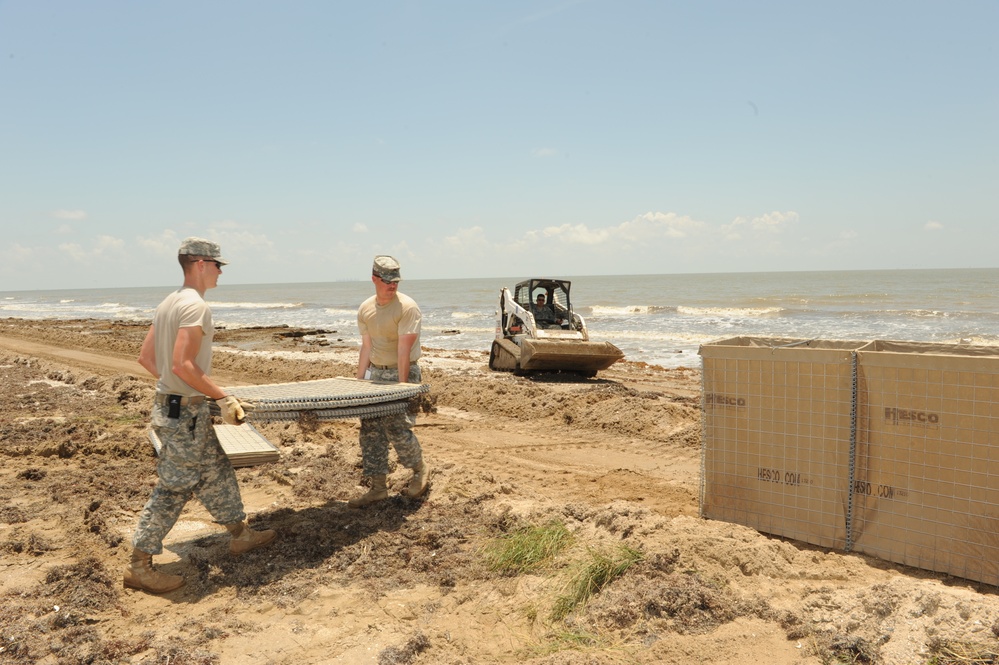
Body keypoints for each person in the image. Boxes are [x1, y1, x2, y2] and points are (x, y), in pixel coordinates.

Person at [124, 237, 275, 594]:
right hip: (184, 417)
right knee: (173, 490)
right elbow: (182, 363)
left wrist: (178, 388)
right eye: (218, 265)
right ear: (201, 264)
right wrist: (223, 397)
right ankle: (139, 566)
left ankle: (240, 535)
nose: (221, 271)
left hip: (175, 409)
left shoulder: (168, 303)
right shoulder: (195, 307)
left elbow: (148, 360)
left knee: (215, 470)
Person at [349, 255, 430, 507]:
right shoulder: (365, 309)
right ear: (374, 279)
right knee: (370, 430)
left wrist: (402, 388)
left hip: (403, 372)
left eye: (395, 281)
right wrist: (359, 382)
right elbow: (366, 348)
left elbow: (403, 352)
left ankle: (420, 470)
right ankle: (378, 487)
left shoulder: (408, 307)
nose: (392, 285)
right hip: (376, 374)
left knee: (397, 427)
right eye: (387, 281)